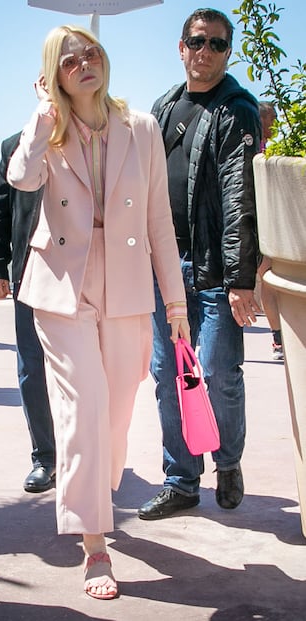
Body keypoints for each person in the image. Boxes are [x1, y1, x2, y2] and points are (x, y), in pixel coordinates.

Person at [7, 25, 190, 599]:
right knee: (84, 411)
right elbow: (21, 178)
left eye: (90, 53)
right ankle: (95, 546)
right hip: (62, 289)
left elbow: (160, 219)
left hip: (128, 287)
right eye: (69, 61)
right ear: (53, 77)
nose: (84, 63)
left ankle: (96, 492)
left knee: (113, 420)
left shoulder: (142, 127)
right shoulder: (49, 132)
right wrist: (42, 116)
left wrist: (176, 303)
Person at [138, 8, 261, 522]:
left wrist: (239, 279)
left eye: (216, 44)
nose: (204, 52)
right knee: (168, 375)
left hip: (213, 270)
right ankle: (181, 480)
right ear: (181, 46)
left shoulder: (238, 110)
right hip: (164, 270)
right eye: (196, 41)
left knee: (216, 371)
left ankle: (227, 463)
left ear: (228, 52)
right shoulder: (163, 106)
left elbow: (239, 197)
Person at [0, 134, 56, 493]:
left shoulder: (98, 137)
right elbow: (1, 210)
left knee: (90, 371)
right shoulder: (15, 145)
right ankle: (45, 457)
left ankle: (89, 458)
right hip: (29, 274)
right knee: (32, 367)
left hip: (85, 276)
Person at [257, 101, 283, 361]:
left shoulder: (272, 148)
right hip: (258, 225)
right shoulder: (254, 147)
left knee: (268, 278)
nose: (275, 123)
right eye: (272, 117)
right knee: (266, 276)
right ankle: (278, 339)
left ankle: (279, 338)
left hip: (270, 223)